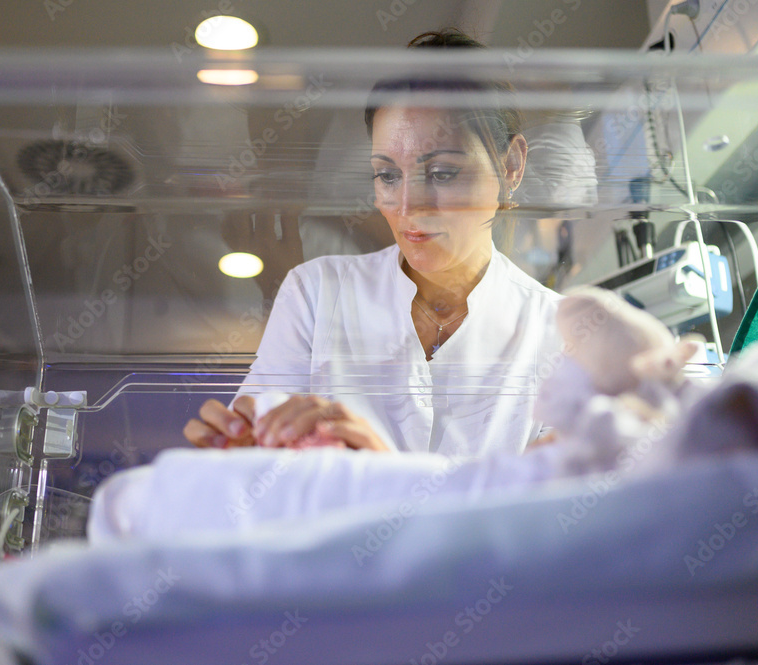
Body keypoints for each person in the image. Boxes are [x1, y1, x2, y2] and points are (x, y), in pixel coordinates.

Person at [183, 29, 562, 457]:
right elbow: (257, 478)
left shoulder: (562, 333)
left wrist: (380, 473)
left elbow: (549, 516)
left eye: (441, 174)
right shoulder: (316, 292)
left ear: (511, 166)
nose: (407, 206)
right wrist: (237, 450)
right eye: (387, 175)